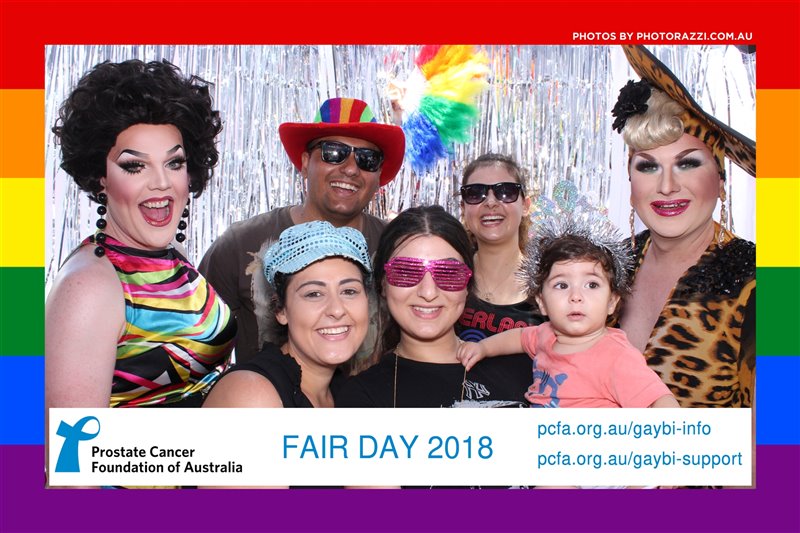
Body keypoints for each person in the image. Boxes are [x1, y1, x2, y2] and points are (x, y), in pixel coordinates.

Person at [46, 59, 236, 411]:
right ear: (101, 178)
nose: (161, 182)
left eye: (174, 163)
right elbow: (69, 444)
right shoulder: (89, 287)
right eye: (135, 165)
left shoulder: (168, 255)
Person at [198, 97, 405, 365]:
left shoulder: (397, 247)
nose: (351, 169)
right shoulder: (241, 243)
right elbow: (193, 346)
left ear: (378, 176)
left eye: (367, 159)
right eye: (334, 152)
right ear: (305, 163)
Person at [611, 45, 755, 408]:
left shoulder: (763, 280)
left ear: (720, 180)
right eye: (648, 166)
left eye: (687, 163)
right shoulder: (606, 267)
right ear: (630, 182)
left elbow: (780, 433)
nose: (667, 186)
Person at [458, 218, 679, 408]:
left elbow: (661, 401)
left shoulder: (617, 356)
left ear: (612, 302)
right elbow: (519, 337)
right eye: (562, 285)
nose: (576, 296)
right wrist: (483, 348)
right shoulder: (545, 335)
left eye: (591, 285)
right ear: (542, 303)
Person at [336, 205, 531, 408]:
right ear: (383, 283)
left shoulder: (529, 371)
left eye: (448, 273)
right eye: (406, 272)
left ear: (468, 286)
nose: (428, 293)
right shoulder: (360, 397)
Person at [456, 153, 544, 342]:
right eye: (475, 193)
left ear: (525, 205)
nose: (490, 202)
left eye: (505, 192)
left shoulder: (547, 283)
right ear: (463, 208)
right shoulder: (446, 277)